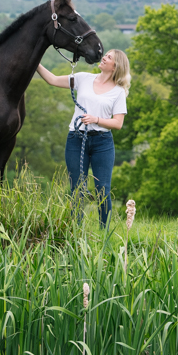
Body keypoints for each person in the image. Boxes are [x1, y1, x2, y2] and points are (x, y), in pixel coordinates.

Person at [36, 49, 130, 227]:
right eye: (105, 55)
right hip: (76, 139)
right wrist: (35, 62)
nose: (103, 57)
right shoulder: (83, 78)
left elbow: (118, 123)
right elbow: (53, 80)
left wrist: (96, 120)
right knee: (77, 189)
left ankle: (105, 233)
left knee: (103, 189)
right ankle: (75, 232)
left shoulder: (118, 92)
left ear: (115, 66)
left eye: (108, 57)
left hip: (102, 143)